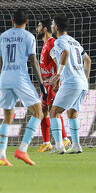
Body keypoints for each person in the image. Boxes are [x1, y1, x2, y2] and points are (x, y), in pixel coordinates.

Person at [0, 9, 45, 166]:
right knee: (39, 112)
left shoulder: (4, 36)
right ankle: (22, 149)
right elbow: (34, 62)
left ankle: (2, 156)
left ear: (12, 21)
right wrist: (41, 84)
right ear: (27, 21)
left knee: (7, 118)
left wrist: (5, 76)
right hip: (20, 77)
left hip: (5, 78)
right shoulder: (28, 37)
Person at [47, 16, 91, 155]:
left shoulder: (60, 41)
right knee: (72, 113)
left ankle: (59, 146)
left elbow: (65, 52)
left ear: (57, 28)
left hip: (71, 82)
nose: (52, 27)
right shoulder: (75, 42)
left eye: (53, 24)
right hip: (82, 83)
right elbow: (88, 60)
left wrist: (58, 74)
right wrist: (85, 79)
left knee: (54, 112)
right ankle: (76, 145)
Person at [35, 19, 71, 152]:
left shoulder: (51, 43)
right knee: (44, 111)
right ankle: (46, 143)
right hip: (46, 84)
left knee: (53, 112)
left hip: (52, 83)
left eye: (39, 26)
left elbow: (57, 62)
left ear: (45, 29)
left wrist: (58, 81)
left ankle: (64, 139)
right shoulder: (45, 44)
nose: (37, 29)